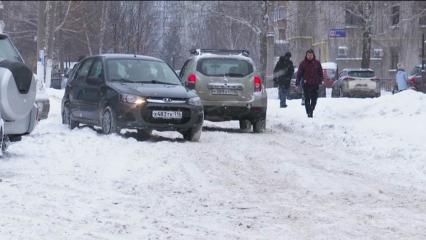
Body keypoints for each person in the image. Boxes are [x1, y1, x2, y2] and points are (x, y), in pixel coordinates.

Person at [296, 49, 323, 118]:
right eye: (308, 55)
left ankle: (311, 109)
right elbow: (299, 73)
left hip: (315, 83)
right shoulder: (303, 63)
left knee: (314, 99)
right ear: (306, 55)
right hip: (306, 84)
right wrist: (297, 81)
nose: (310, 56)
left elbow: (320, 73)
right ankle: (309, 111)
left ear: (313, 55)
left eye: (311, 55)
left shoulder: (317, 63)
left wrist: (320, 80)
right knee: (307, 99)